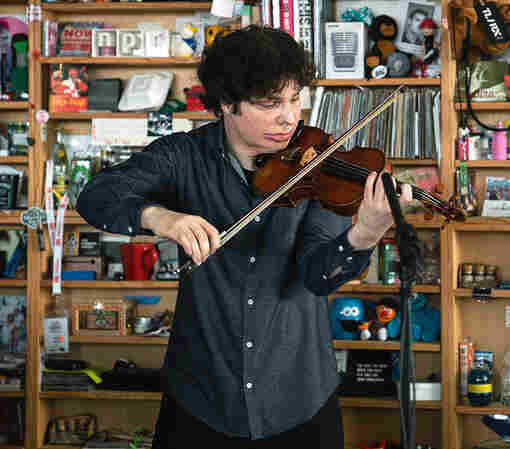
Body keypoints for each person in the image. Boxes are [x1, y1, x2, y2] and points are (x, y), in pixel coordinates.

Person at [76, 25, 415, 449]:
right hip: (201, 398)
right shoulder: (181, 155)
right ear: (227, 104)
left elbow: (318, 277)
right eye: (270, 104)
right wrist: (159, 216)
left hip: (299, 399)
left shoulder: (320, 166)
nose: (289, 117)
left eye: (294, 100)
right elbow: (95, 196)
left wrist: (363, 234)